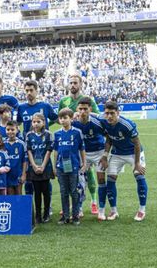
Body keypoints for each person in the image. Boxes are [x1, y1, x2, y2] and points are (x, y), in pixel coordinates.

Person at [99, 101, 148, 222]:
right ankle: (114, 211)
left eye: (112, 113)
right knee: (110, 180)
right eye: (107, 113)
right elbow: (109, 139)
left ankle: (142, 210)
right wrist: (105, 156)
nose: (109, 116)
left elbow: (137, 143)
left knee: (139, 176)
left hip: (133, 153)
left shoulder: (127, 124)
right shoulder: (104, 121)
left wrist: (137, 163)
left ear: (118, 113)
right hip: (117, 153)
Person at [58, 74, 100, 215]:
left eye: (75, 82)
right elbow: (60, 118)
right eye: (71, 83)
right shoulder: (64, 101)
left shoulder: (88, 100)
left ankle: (94, 202)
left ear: (81, 84)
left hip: (90, 144)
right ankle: (74, 204)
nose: (73, 85)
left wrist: (80, 114)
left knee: (89, 172)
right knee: (75, 175)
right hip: (73, 143)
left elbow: (98, 115)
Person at [73, 97, 107, 219]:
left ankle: (101, 209)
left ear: (90, 109)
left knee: (101, 180)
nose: (82, 111)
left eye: (85, 109)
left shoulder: (97, 121)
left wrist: (105, 155)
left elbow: (108, 136)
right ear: (77, 109)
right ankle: (79, 208)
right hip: (83, 154)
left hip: (98, 152)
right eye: (80, 109)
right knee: (79, 181)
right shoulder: (74, 122)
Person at [53, 108, 86, 226]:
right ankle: (65, 216)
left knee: (74, 191)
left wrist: (84, 163)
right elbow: (56, 151)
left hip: (74, 166)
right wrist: (54, 166)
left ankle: (75, 215)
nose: (62, 120)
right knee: (63, 191)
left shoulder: (77, 132)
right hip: (61, 167)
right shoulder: (57, 134)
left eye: (65, 118)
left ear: (71, 118)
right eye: (61, 118)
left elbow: (82, 149)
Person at [25, 113, 55, 224]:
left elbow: (48, 151)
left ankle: (46, 214)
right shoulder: (28, 135)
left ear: (44, 122)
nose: (36, 124)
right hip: (34, 168)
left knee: (46, 192)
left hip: (45, 167)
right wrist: (33, 165)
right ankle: (38, 215)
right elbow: (29, 151)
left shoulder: (48, 135)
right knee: (36, 192)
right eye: (34, 122)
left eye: (38, 122)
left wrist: (42, 166)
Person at [3, 120, 27, 195]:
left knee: (19, 195)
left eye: (12, 129)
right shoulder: (3, 144)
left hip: (18, 174)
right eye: (8, 129)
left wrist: (23, 174)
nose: (10, 132)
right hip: (7, 175)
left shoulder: (21, 144)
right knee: (10, 196)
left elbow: (25, 160)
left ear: (17, 130)